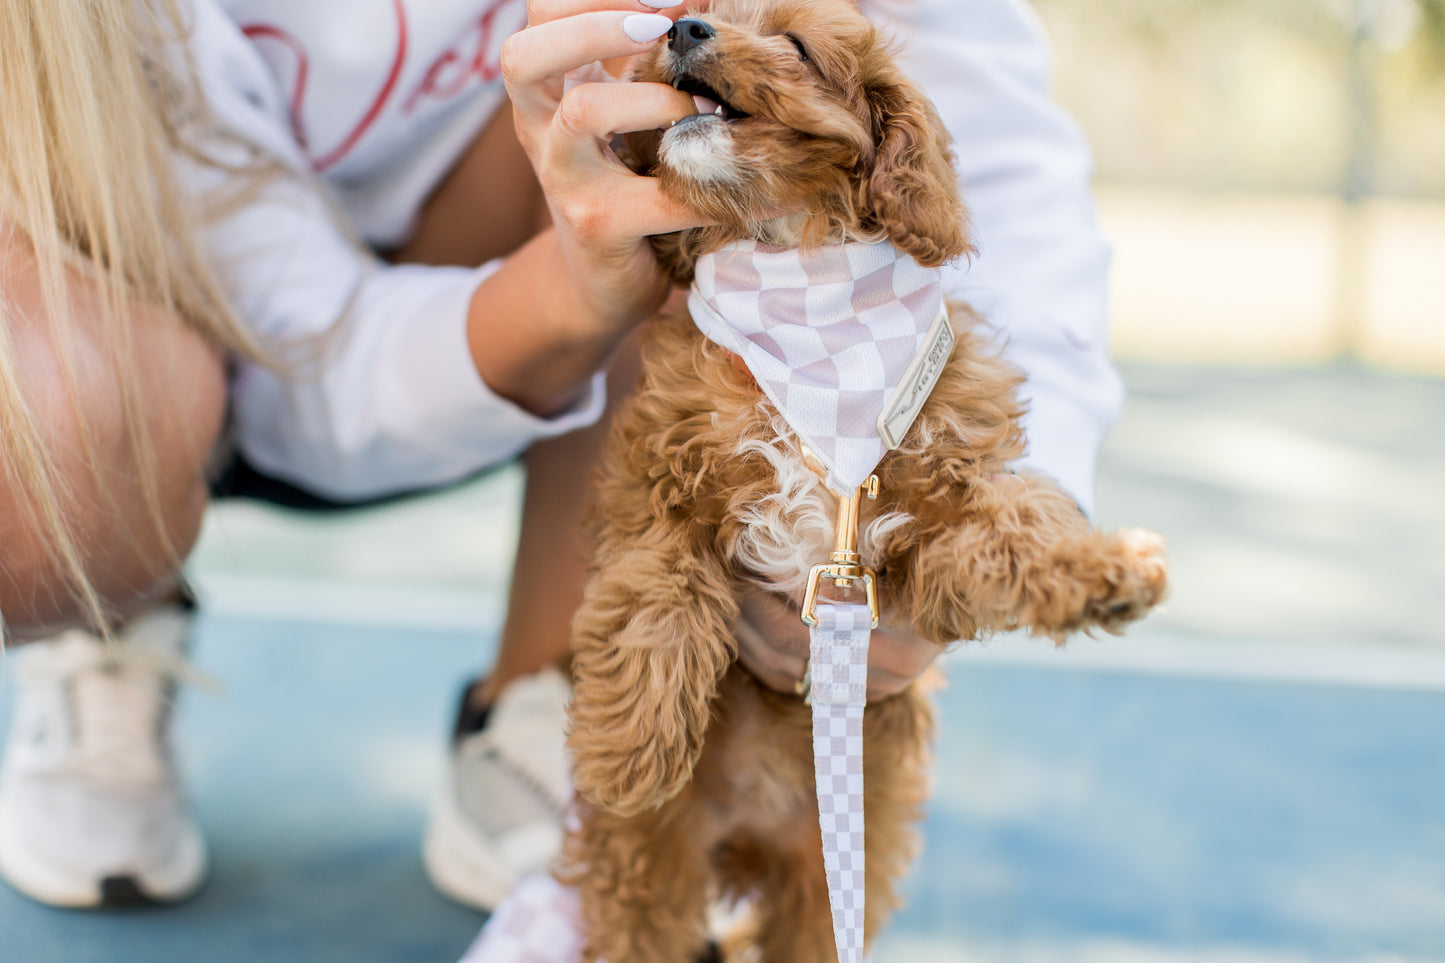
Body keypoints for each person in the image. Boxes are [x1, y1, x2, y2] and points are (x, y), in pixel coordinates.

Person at [0, 0, 1122, 914]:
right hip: (169, 294)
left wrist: (1000, 487)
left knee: (636, 68)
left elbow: (984, 134)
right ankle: (108, 609)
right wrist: (556, 295)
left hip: (546, 290)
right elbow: (315, 365)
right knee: (44, 440)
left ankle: (547, 682)